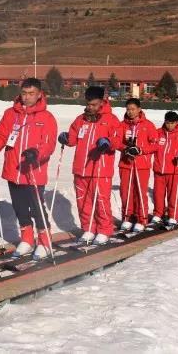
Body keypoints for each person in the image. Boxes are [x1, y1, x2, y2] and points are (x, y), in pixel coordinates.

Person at [0, 78, 58, 259]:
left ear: (40, 94)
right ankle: (27, 239)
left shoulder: (46, 118)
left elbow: (48, 144)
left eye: (31, 94)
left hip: (33, 172)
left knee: (36, 208)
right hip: (13, 169)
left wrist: (36, 152)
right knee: (20, 208)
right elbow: (1, 135)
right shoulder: (11, 114)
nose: (27, 97)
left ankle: (44, 241)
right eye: (24, 93)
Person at [58, 86, 121, 245]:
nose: (90, 107)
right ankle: (88, 228)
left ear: (102, 102)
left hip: (100, 169)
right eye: (88, 104)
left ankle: (104, 230)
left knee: (101, 201)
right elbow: (73, 138)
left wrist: (108, 142)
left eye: (94, 104)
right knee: (83, 201)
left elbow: (118, 140)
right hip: (81, 168)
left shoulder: (111, 120)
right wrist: (66, 138)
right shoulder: (81, 119)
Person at [117, 98, 158, 231]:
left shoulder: (148, 125)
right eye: (128, 109)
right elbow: (116, 141)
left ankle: (142, 218)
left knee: (140, 192)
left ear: (139, 109)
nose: (130, 112)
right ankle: (127, 217)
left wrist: (141, 150)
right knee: (125, 192)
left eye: (133, 109)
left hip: (141, 165)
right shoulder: (122, 125)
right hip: (126, 164)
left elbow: (155, 145)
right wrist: (125, 148)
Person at [151, 111, 178, 226]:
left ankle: (173, 215)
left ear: (176, 122)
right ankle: (158, 213)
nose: (169, 125)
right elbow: (151, 143)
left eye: (172, 123)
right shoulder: (159, 133)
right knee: (158, 194)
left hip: (174, 170)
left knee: (173, 195)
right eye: (167, 123)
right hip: (159, 169)